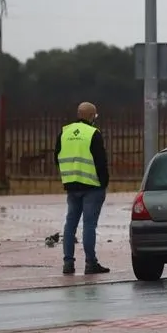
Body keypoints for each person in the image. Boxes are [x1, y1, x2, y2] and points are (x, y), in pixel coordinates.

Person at [54, 101, 111, 275]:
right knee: (89, 225)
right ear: (92, 116)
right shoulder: (94, 133)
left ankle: (68, 263)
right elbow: (101, 162)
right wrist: (104, 183)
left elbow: (56, 157)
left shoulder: (64, 131)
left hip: (71, 185)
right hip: (92, 186)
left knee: (70, 224)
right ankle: (90, 263)